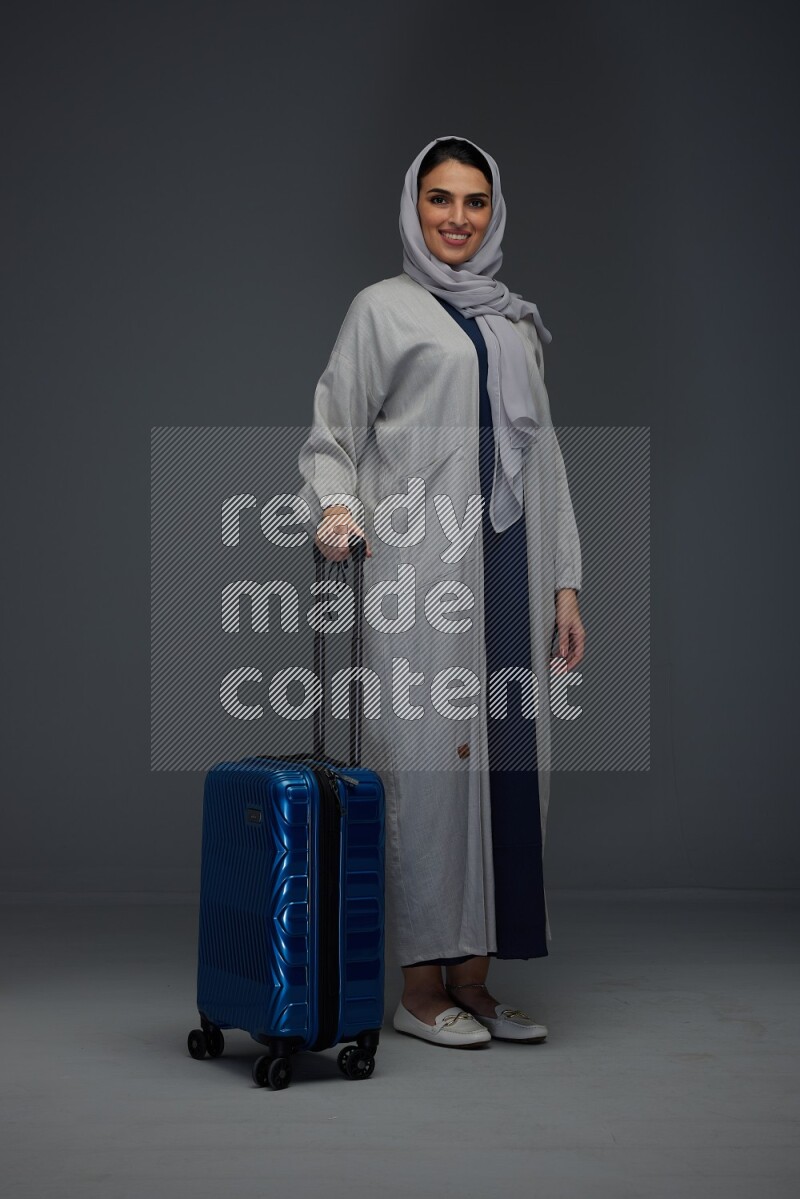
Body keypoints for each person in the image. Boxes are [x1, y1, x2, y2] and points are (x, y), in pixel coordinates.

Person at [297, 135, 585, 1048]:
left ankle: (477, 981)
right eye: (439, 200)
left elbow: (549, 461)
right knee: (422, 776)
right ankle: (420, 990)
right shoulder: (381, 310)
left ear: (493, 212)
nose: (456, 218)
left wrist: (567, 585)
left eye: (473, 202)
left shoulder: (515, 324)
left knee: (507, 775)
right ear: (413, 207)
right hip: (424, 577)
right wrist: (337, 511)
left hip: (513, 570)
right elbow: (332, 429)